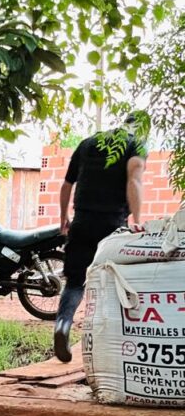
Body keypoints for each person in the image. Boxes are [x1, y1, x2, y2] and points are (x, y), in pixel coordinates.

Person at [53, 112, 147, 362]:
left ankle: (63, 324)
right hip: (113, 226)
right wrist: (137, 220)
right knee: (113, 283)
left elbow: (66, 185)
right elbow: (134, 181)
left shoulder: (88, 143)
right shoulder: (135, 144)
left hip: (82, 221)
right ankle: (110, 343)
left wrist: (64, 217)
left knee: (75, 282)